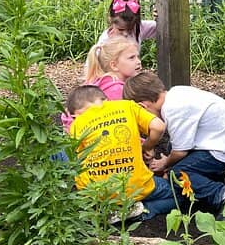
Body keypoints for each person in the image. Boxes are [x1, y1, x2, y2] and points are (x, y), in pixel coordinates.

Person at [123, 71, 225, 210]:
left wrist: (165, 163)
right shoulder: (175, 93)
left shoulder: (173, 110)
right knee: (171, 150)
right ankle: (217, 178)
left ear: (143, 106)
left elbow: (180, 152)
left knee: (177, 173)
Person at [65, 85, 174, 222]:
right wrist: (147, 146)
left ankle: (108, 213)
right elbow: (158, 126)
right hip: (136, 186)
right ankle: (141, 211)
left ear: (76, 114)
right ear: (106, 99)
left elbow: (74, 158)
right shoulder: (126, 106)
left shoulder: (77, 124)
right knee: (177, 195)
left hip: (97, 193)